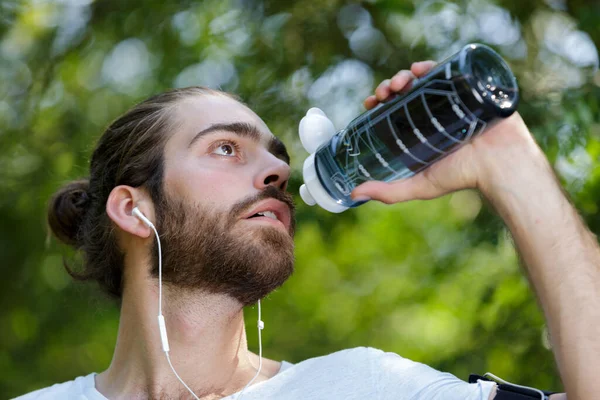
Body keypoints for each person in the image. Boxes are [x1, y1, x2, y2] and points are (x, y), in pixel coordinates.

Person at [17, 59, 597, 400]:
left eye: (274, 157)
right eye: (225, 148)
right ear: (132, 209)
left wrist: (510, 165)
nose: (277, 171)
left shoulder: (365, 387)